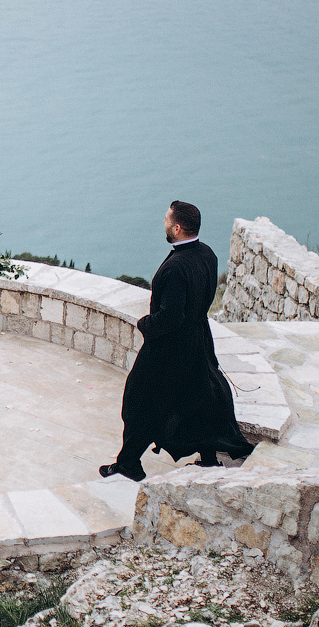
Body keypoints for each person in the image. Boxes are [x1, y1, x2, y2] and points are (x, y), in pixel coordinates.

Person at [100, 200, 254, 482]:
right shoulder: (207, 254)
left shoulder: (176, 268)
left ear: (178, 227)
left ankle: (129, 464)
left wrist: (145, 323)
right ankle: (207, 458)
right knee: (201, 399)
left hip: (169, 349)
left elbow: (171, 317)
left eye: (167, 219)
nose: (163, 223)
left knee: (138, 401)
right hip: (199, 341)